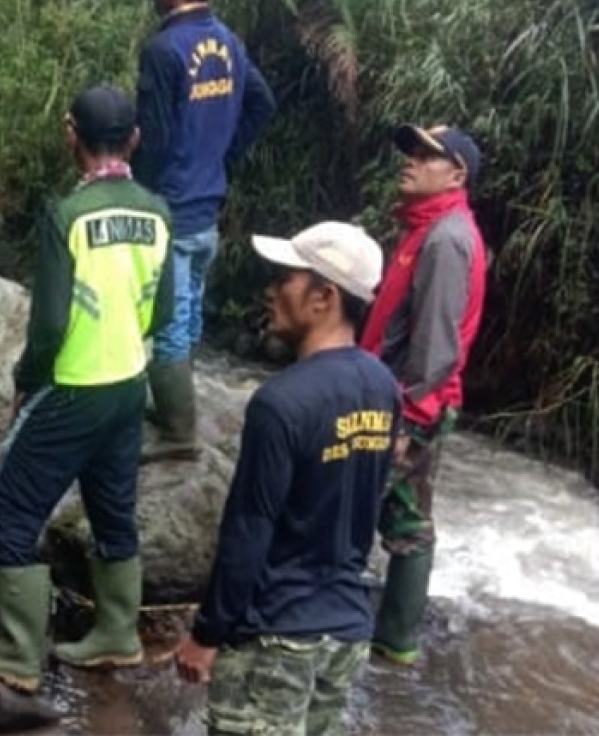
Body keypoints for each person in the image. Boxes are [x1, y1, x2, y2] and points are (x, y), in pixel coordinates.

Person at [0, 85, 174, 728]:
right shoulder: (159, 211)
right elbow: (162, 308)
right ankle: (116, 634)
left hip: (72, 387)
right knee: (113, 509)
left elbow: (48, 324)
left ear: (70, 133)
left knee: (8, 506)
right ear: (134, 140)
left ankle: (20, 651)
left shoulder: (65, 215)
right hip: (130, 383)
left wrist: (25, 378)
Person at [174, 222, 398, 736]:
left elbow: (249, 528)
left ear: (325, 296)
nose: (272, 290)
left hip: (278, 633)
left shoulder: (282, 402)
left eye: (285, 278)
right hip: (346, 632)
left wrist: (207, 633)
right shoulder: (381, 386)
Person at [133, 0, 278, 462]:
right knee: (189, 307)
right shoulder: (229, 42)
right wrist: (222, 156)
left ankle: (176, 434)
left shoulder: (163, 50)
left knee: (168, 319)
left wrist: (137, 193)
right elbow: (262, 103)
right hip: (208, 206)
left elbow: (157, 138)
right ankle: (180, 408)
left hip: (169, 206)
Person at [360, 124, 487, 665]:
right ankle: (396, 642)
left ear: (457, 174)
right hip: (410, 399)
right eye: (409, 152)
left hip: (411, 406)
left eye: (425, 156)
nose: (409, 162)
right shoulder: (428, 229)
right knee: (407, 519)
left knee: (350, 509)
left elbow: (437, 346)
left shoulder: (446, 240)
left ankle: (349, 633)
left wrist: (406, 424)